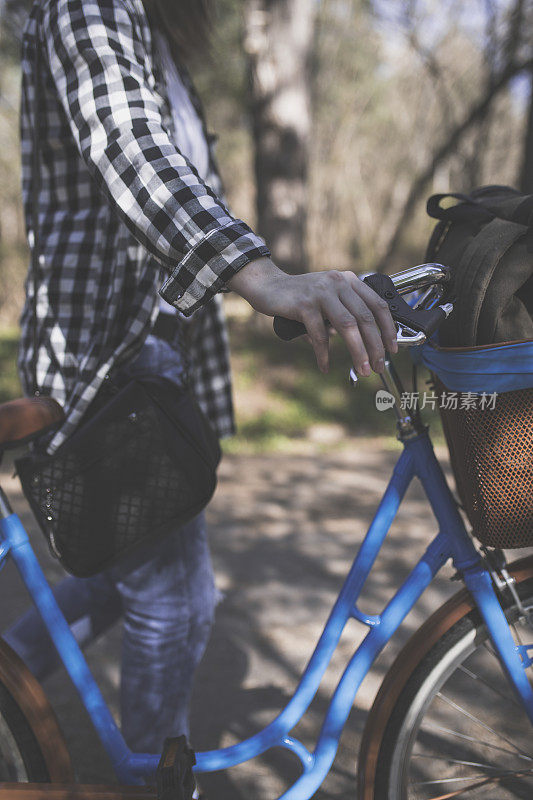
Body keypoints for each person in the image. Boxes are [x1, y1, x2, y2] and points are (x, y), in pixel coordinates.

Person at [4, 0, 398, 757]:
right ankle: (155, 777)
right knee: (176, 605)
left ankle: (9, 686)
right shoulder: (88, 6)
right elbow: (129, 145)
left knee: (124, 578)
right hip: (106, 368)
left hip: (144, 362)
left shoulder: (153, 32)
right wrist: (259, 275)